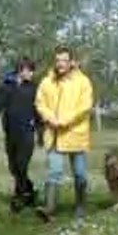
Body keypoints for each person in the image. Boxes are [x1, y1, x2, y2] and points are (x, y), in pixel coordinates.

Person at [34, 45, 94, 223]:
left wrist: (64, 120)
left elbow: (85, 107)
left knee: (80, 174)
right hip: (54, 135)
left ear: (72, 62)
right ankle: (49, 209)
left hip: (76, 134)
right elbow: (40, 103)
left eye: (64, 60)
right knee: (54, 172)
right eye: (57, 60)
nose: (60, 64)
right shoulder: (47, 82)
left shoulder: (83, 82)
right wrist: (49, 117)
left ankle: (81, 206)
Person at [0, 57, 44, 212]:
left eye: (33, 70)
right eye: (29, 70)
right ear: (21, 70)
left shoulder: (33, 88)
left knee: (21, 164)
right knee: (14, 168)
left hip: (27, 133)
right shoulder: (7, 86)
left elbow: (38, 111)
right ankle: (29, 191)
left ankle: (19, 197)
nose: (32, 73)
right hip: (11, 134)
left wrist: (40, 133)